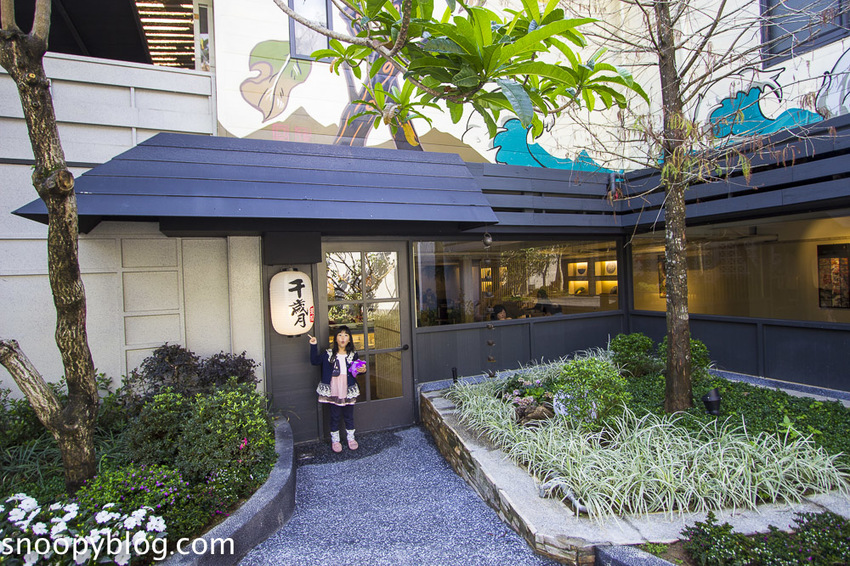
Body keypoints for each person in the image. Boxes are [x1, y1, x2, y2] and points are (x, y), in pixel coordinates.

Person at [308, 326, 367, 453]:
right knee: (334, 415)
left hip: (348, 388)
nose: (342, 338)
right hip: (334, 388)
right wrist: (313, 345)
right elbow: (314, 361)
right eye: (340, 335)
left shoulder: (353, 354)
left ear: (349, 339)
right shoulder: (328, 354)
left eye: (346, 335)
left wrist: (362, 370)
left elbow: (356, 370)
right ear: (335, 338)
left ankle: (351, 438)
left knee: (349, 415)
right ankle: (335, 440)